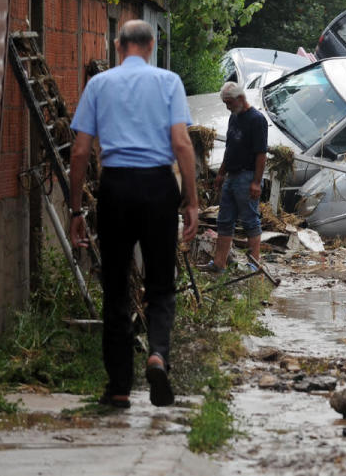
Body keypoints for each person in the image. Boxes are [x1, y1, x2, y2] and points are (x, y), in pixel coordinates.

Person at [69, 20, 199, 409]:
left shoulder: (98, 84)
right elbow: (182, 143)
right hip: (159, 188)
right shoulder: (169, 82)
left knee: (116, 288)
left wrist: (76, 208)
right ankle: (158, 353)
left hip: (116, 189)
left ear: (118, 45)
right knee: (161, 283)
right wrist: (191, 200)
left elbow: (78, 152)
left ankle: (119, 387)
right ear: (151, 45)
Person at [199, 81, 267, 273]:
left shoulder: (256, 120)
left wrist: (256, 182)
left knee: (250, 220)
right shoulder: (234, 117)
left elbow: (261, 154)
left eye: (229, 102)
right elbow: (230, 148)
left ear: (240, 98)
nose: (228, 107)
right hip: (232, 175)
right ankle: (219, 264)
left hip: (247, 176)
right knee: (224, 220)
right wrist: (221, 173)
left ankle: (254, 264)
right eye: (226, 103)